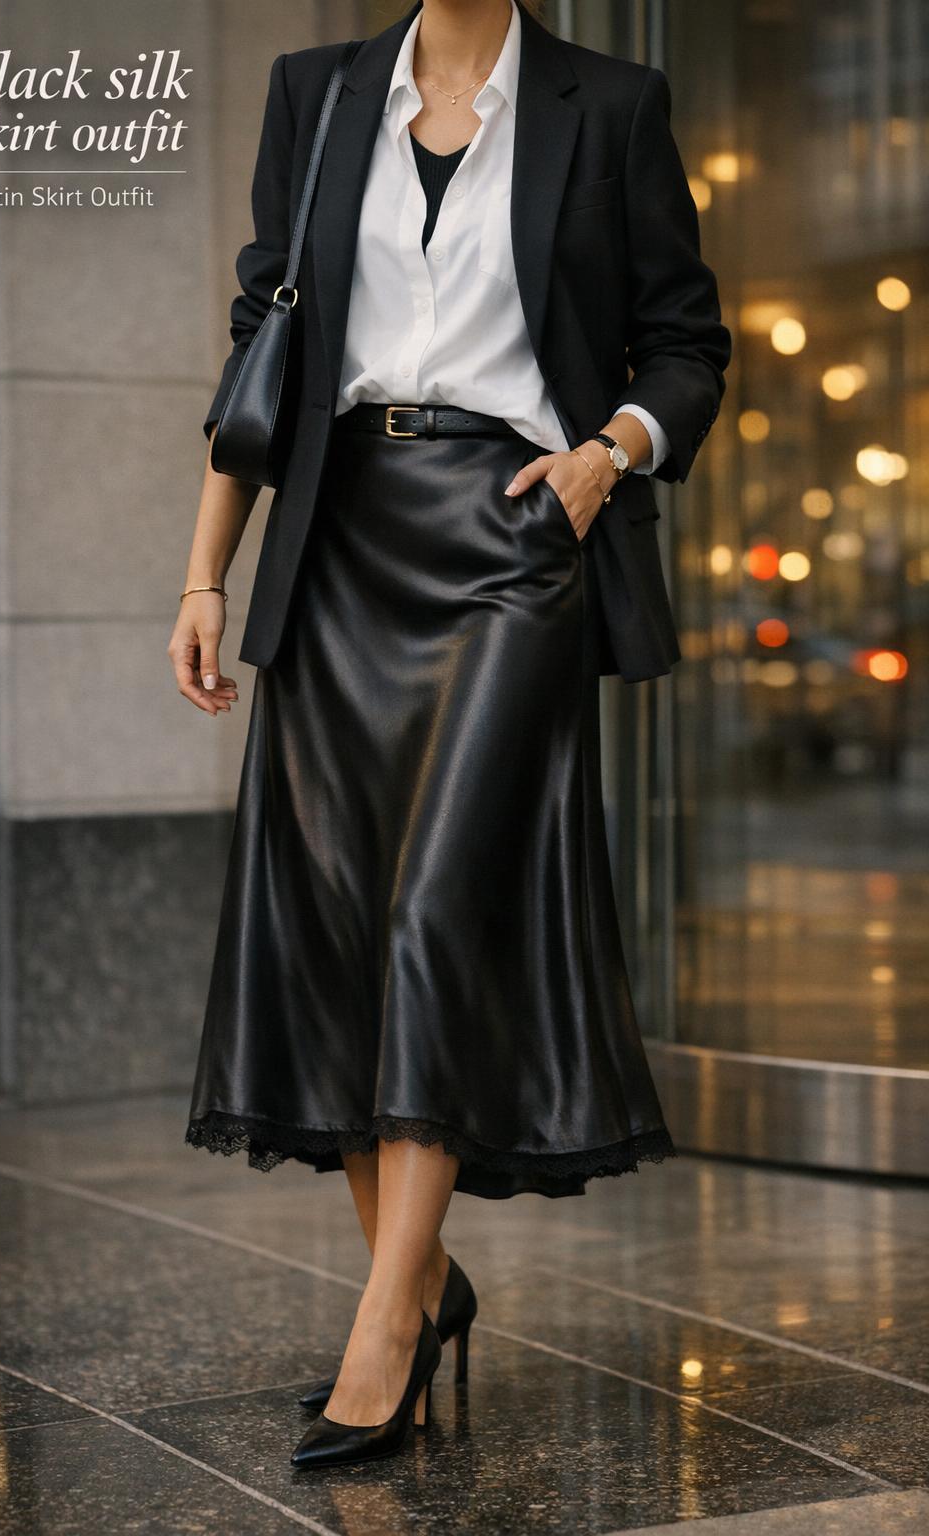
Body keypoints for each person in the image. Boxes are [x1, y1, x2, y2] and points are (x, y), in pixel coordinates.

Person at [170, 0, 731, 1470]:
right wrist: (202, 576)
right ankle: (419, 1279)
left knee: (429, 909)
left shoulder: (609, 101)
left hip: (511, 537)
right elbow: (265, 346)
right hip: (338, 538)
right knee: (348, 923)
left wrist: (609, 456)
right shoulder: (316, 91)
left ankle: (384, 1328)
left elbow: (686, 346)